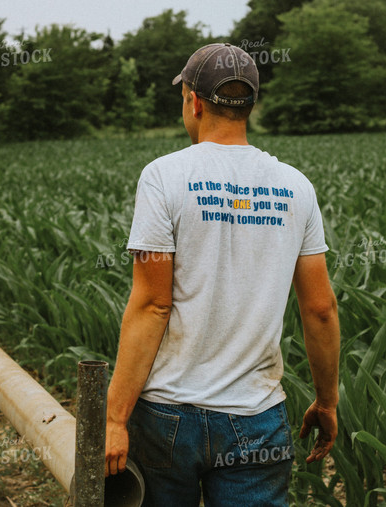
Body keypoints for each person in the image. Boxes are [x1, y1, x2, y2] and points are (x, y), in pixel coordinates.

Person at [104, 43, 341, 505]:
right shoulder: (296, 186)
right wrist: (327, 401)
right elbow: (320, 308)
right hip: (256, 418)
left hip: (166, 416)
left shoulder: (163, 177)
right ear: (249, 105)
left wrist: (114, 419)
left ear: (193, 101)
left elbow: (153, 304)